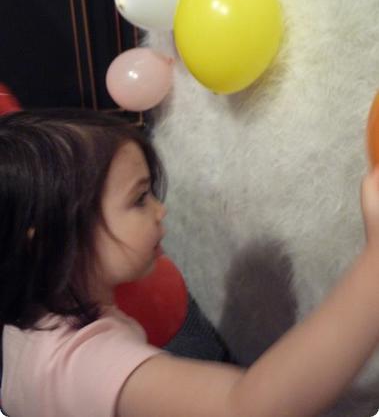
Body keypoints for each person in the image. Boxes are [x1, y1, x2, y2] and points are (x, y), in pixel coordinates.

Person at [1, 108, 379, 417]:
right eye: (139, 199)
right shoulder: (87, 364)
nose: (161, 210)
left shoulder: (21, 326)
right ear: (50, 240)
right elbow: (247, 406)